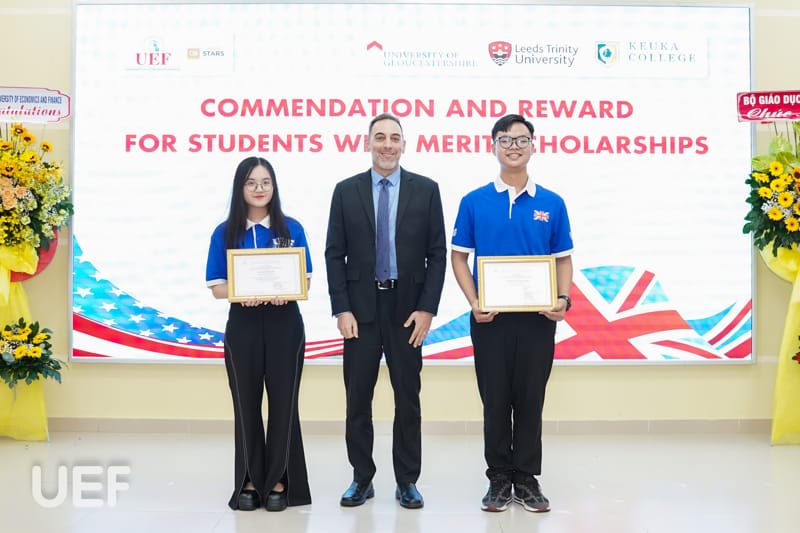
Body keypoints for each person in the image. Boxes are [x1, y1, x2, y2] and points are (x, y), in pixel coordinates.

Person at [450, 114, 574, 513]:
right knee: (495, 399)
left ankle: (527, 478)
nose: (513, 146)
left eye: (521, 139)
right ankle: (499, 478)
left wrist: (562, 298)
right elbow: (458, 257)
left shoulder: (552, 203)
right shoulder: (474, 201)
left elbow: (563, 259)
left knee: (531, 398)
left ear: (533, 145)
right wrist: (474, 301)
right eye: (505, 139)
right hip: (490, 320)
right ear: (494, 147)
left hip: (538, 320)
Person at [325, 113, 446, 509]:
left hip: (407, 311)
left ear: (404, 145)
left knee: (408, 399)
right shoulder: (345, 191)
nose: (387, 145)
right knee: (357, 398)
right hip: (360, 312)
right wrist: (341, 309)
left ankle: (407, 480)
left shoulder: (426, 190)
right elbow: (334, 254)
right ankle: (361, 477)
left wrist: (427, 309)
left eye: (395, 138)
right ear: (368, 143)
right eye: (380, 137)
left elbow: (437, 255)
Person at [205, 156, 313, 512]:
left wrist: (287, 290)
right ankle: (250, 480)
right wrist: (242, 292)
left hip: (285, 324)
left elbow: (305, 280)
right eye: (251, 182)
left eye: (266, 182)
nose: (259, 189)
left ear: (274, 187)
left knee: (284, 404)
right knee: (246, 404)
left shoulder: (291, 228)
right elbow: (217, 287)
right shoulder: (225, 232)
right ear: (240, 188)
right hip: (244, 325)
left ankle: (280, 479)